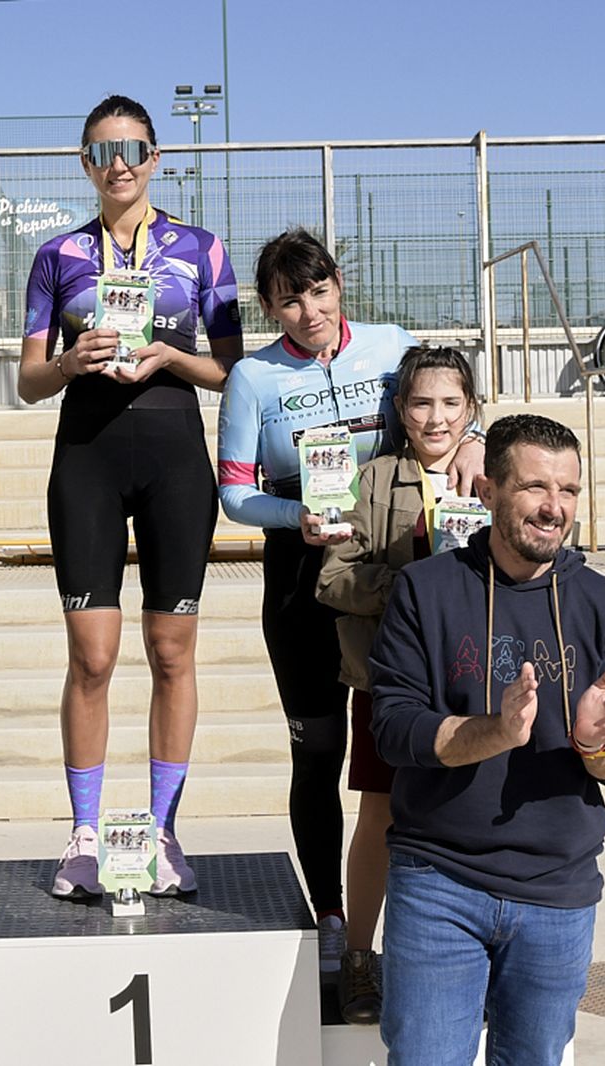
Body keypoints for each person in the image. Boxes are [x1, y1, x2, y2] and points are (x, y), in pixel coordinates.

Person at [216, 229, 482, 975]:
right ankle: (332, 916)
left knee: (397, 760)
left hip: (397, 562)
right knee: (322, 754)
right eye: (288, 300)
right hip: (304, 569)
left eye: (319, 290)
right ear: (268, 308)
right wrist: (289, 518)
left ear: (340, 284)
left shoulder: (393, 344)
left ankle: (424, 924)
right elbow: (234, 494)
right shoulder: (253, 378)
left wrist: (477, 442)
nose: (309, 311)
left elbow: (449, 401)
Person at [369, 413, 605, 1065]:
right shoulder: (424, 590)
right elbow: (395, 728)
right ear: (489, 491)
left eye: (569, 491)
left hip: (557, 890)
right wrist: (493, 731)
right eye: (534, 488)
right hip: (438, 880)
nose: (554, 508)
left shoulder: (604, 604)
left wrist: (596, 746)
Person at [17, 94, 243, 899]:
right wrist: (74, 361)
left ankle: (162, 830)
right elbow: (28, 380)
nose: (119, 163)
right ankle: (84, 834)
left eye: (133, 148)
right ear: (85, 162)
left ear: (156, 159)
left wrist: (167, 357)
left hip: (176, 461)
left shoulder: (202, 251)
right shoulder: (56, 255)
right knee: (94, 656)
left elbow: (228, 368)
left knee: (172, 653)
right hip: (87, 460)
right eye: (103, 150)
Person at [314, 346, 482, 1024]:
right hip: (393, 684)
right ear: (399, 410)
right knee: (379, 818)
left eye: (450, 403)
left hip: (475, 684)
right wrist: (411, 592)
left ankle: (464, 957)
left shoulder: (492, 473)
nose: (435, 417)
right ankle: (360, 958)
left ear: (470, 407)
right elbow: (332, 577)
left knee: (473, 817)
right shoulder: (375, 479)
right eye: (421, 403)